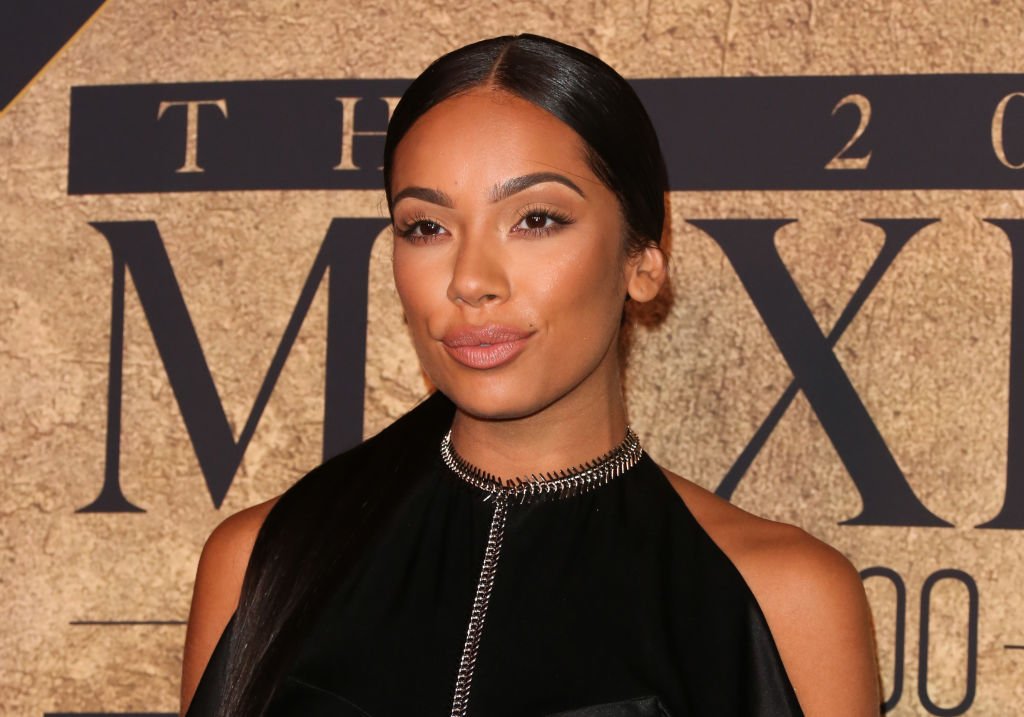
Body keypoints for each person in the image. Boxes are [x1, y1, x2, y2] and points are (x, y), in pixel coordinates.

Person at [180, 34, 880, 717]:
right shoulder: (262, 563)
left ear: (643, 257)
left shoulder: (784, 600)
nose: (471, 281)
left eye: (536, 218)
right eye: (426, 227)